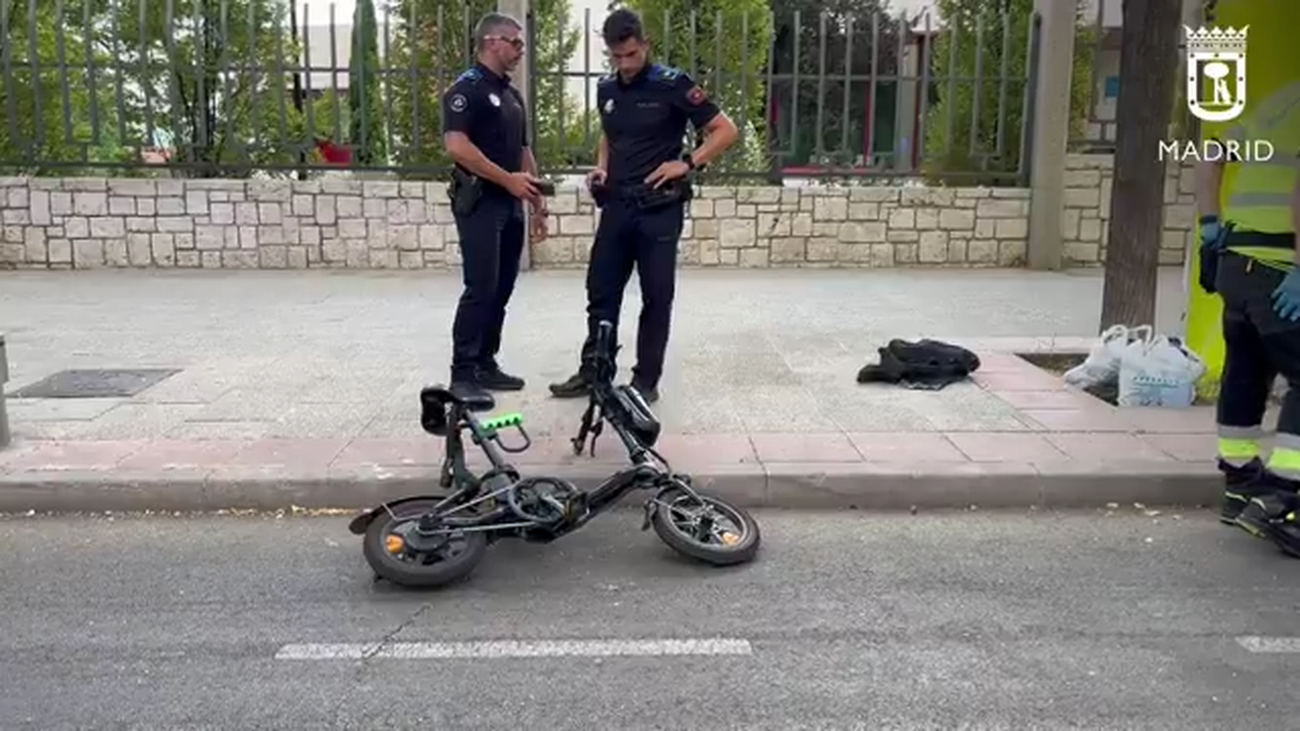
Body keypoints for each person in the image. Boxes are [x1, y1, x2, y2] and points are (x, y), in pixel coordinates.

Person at [548, 8, 739, 404]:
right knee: (601, 291)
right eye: (616, 57)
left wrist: (686, 163)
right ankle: (594, 371)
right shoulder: (607, 89)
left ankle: (645, 381)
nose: (624, 64)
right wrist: (601, 168)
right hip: (617, 206)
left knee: (656, 295)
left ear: (645, 45)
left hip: (659, 208)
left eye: (631, 55)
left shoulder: (673, 84)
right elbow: (609, 135)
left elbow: (725, 130)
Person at [1197, 78, 1300, 557]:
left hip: (1236, 263)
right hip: (1279, 267)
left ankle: (1240, 488)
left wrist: (1209, 228)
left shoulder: (1279, 99)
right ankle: (1282, 499)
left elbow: (1210, 156)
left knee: (1246, 372)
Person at [441, 12, 549, 405]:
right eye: (515, 42)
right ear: (491, 42)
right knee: (480, 287)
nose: (521, 50)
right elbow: (457, 146)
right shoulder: (465, 90)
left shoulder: (511, 94)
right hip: (481, 202)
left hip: (511, 204)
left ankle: (486, 361)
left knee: (501, 287)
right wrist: (507, 180)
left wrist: (537, 202)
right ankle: (462, 373)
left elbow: (523, 151)